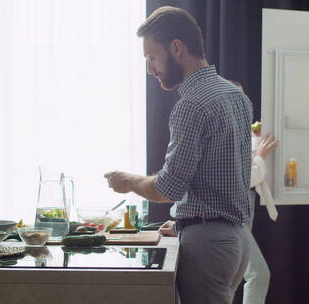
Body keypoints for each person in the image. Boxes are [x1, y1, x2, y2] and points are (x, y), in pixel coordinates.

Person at [104, 6, 252, 304]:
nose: (150, 69)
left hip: (209, 245)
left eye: (151, 57)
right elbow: (223, 177)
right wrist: (186, 221)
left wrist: (129, 181)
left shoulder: (191, 105)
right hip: (236, 240)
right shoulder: (236, 96)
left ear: (176, 48)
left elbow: (167, 188)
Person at [162, 82, 279, 304]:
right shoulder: (218, 130)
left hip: (239, 213)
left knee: (230, 280)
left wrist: (256, 145)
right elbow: (244, 176)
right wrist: (260, 156)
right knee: (256, 273)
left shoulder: (240, 134)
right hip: (227, 215)